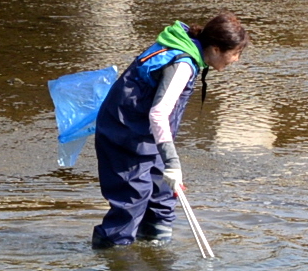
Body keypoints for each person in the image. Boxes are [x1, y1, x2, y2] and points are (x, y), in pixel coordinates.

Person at [90, 13, 246, 249]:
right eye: (234, 53)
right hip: (124, 134)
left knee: (162, 198)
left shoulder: (186, 46)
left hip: (148, 136)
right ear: (215, 48)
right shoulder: (182, 65)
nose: (235, 60)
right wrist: (173, 163)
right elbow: (158, 114)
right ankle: (114, 263)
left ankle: (156, 262)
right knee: (131, 201)